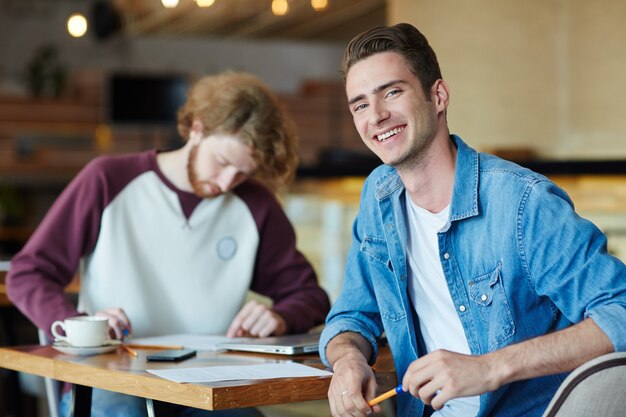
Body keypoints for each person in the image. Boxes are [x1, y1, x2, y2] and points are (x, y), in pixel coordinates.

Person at [319, 23, 626, 417]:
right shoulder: (378, 198)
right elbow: (351, 314)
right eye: (360, 104)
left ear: (438, 96)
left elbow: (619, 309)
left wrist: (490, 368)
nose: (376, 116)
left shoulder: (521, 203)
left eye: (392, 92)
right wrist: (347, 361)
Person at [7, 71, 330, 417]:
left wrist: (280, 316)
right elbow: (28, 274)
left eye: (242, 174)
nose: (225, 183)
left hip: (209, 385)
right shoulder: (107, 179)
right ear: (197, 128)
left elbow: (311, 297)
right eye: (222, 162)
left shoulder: (256, 205)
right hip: (111, 378)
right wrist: (80, 325)